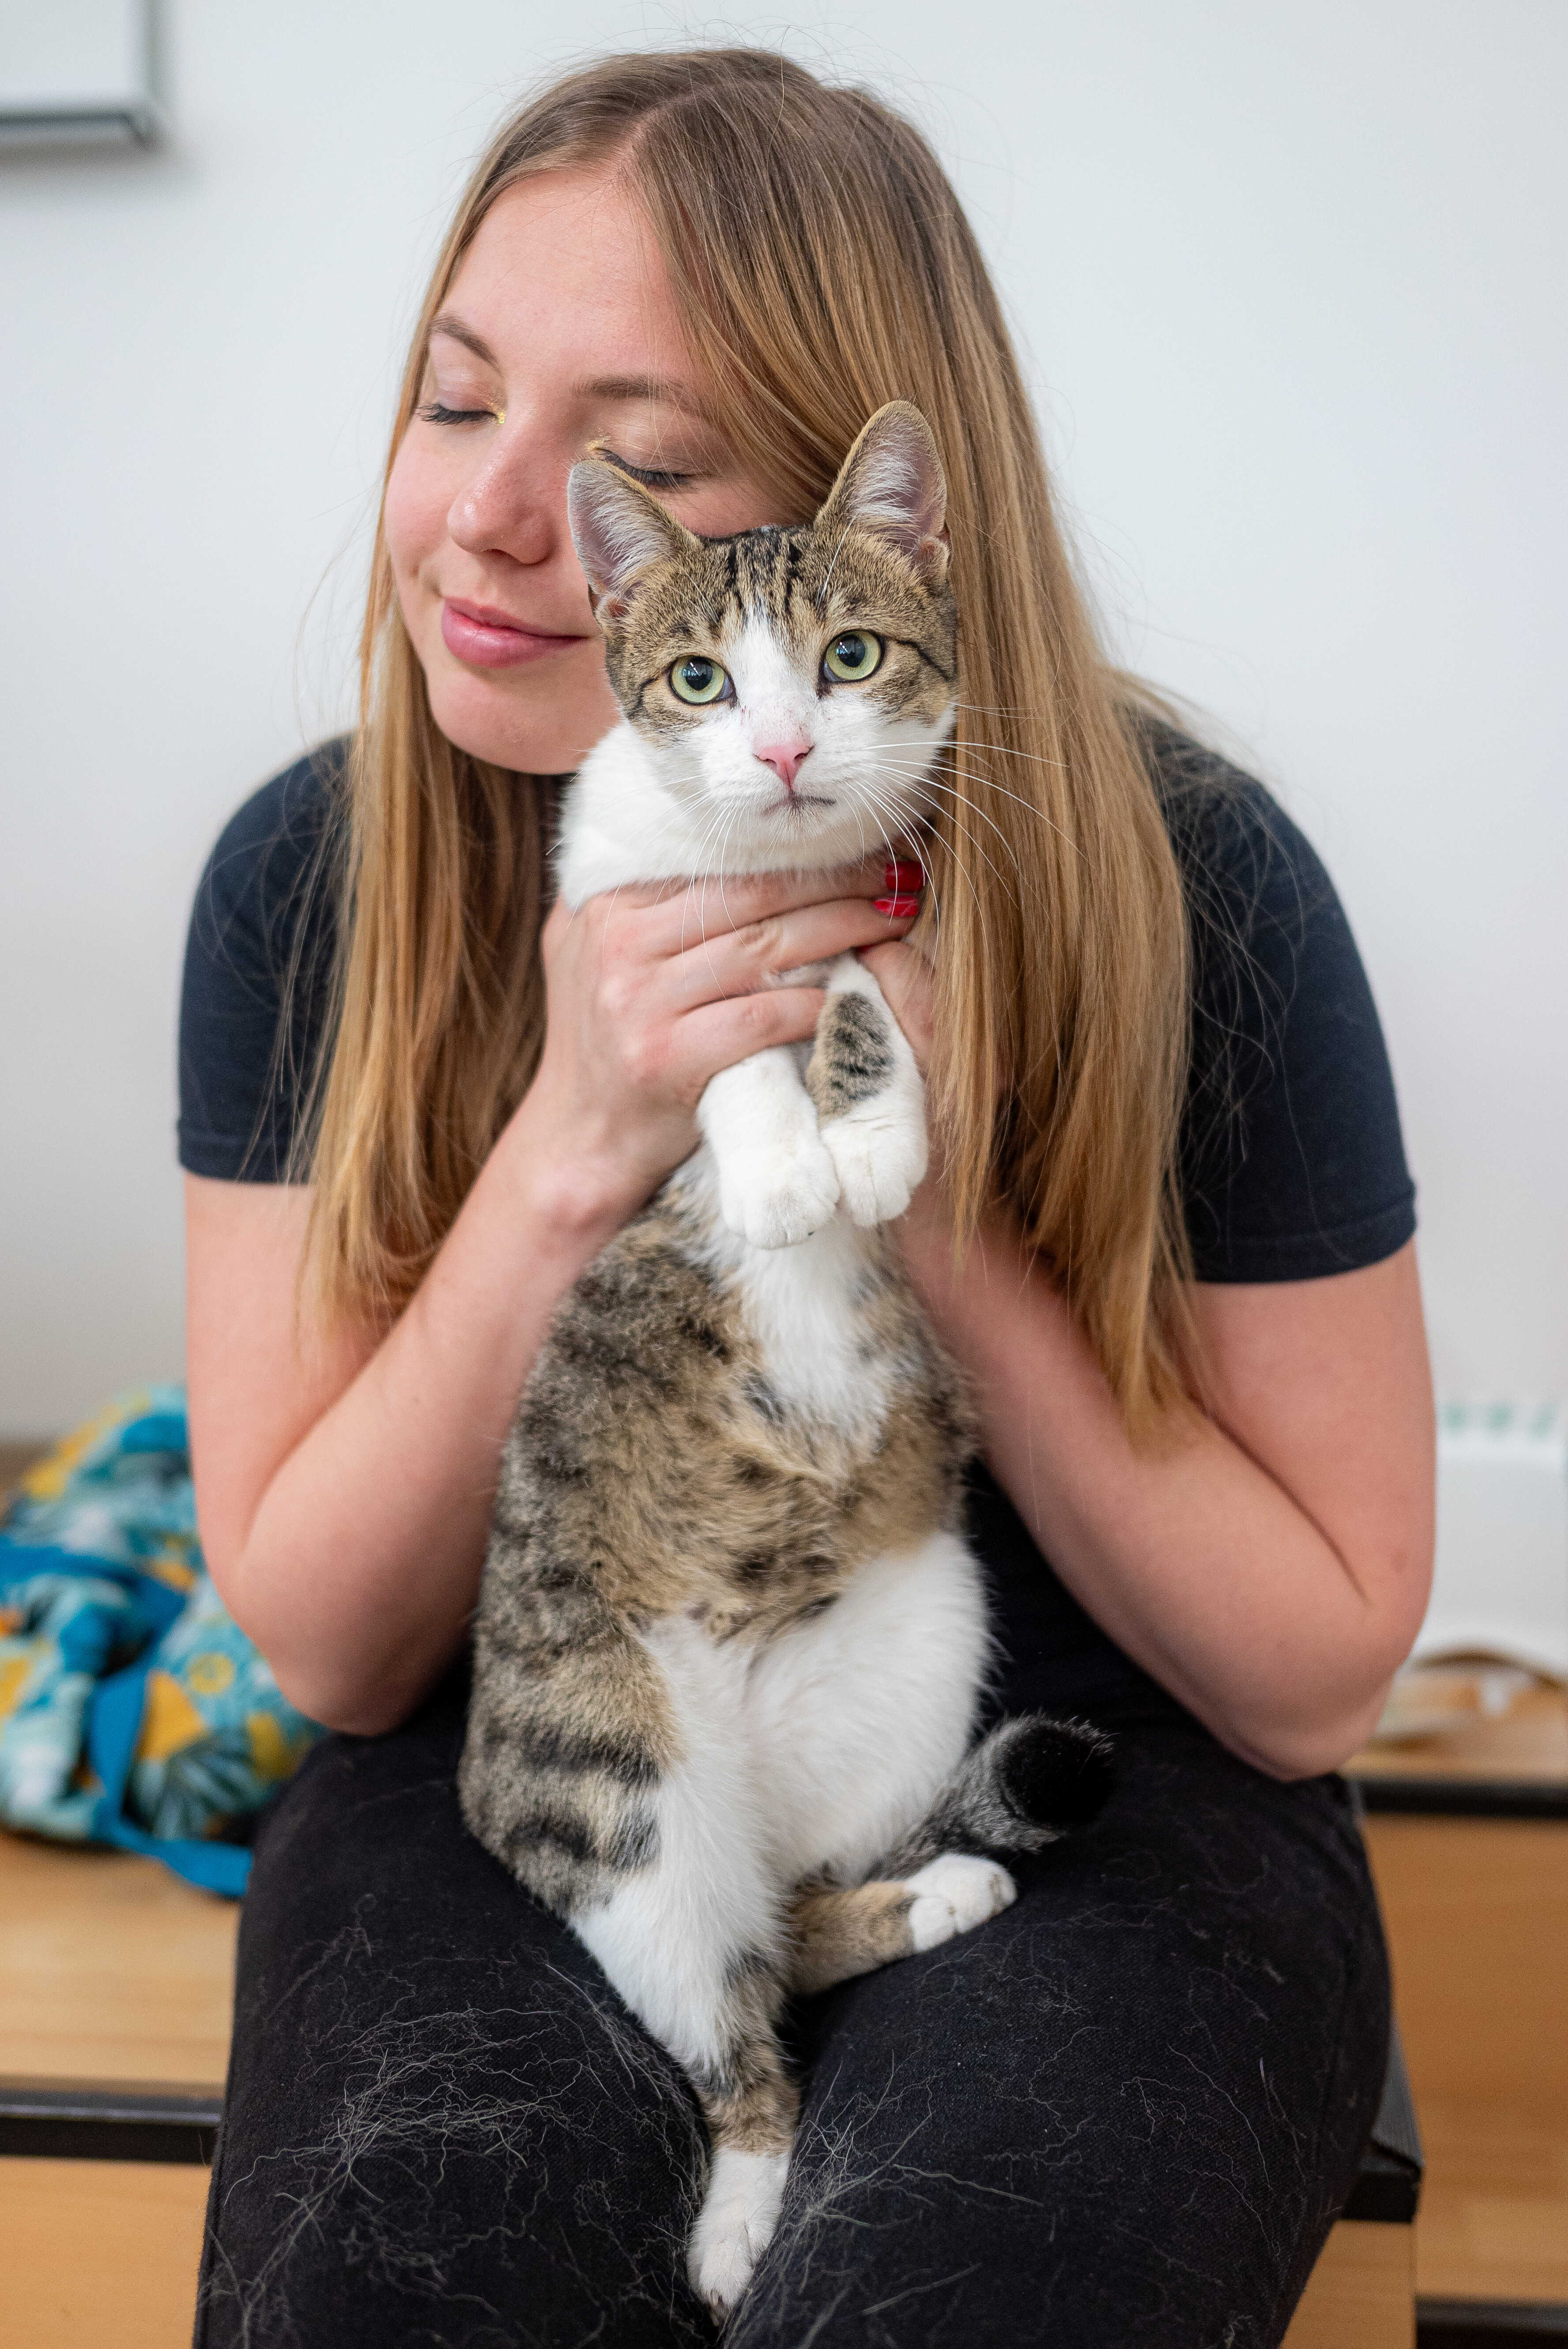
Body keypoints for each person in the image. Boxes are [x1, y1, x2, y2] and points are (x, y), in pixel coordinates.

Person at [179, 49, 1434, 2349]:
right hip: (545, 1731)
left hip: (1111, 1754)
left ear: (879, 529)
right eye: (454, 402)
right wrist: (580, 1138)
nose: (500, 515)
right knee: (401, 2292)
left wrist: (918, 1180)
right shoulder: (310, 879)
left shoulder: (1200, 879)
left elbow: (1316, 1668)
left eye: (646, 461)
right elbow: (332, 1649)